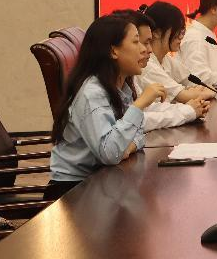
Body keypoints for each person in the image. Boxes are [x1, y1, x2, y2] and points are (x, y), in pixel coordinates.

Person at [48, 15, 166, 198]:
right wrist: (139, 104)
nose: (145, 49)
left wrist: (127, 148)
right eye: (136, 42)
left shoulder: (121, 87)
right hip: (71, 193)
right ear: (113, 51)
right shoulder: (91, 92)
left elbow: (139, 134)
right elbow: (110, 153)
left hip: (101, 181)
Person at [112, 9, 210, 131]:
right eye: (137, 42)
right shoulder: (96, 92)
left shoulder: (128, 81)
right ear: (113, 50)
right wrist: (187, 111)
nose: (148, 50)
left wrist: (188, 109)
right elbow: (136, 123)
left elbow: (147, 111)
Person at [141, 1, 214, 102]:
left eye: (182, 31)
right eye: (177, 31)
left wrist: (197, 91)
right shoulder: (147, 65)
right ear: (157, 33)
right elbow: (184, 96)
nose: (181, 37)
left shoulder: (166, 59)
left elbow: (193, 81)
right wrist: (205, 92)